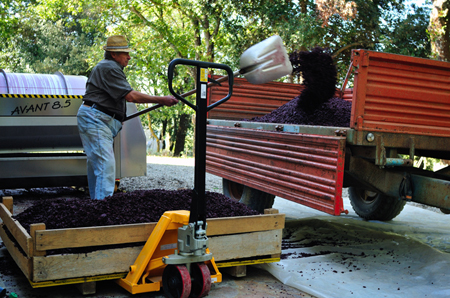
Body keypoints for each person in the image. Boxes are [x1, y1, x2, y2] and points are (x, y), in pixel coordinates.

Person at [77, 35, 178, 200]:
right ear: (114, 54)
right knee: (105, 166)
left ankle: (96, 206)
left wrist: (117, 116)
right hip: (96, 119)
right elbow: (131, 96)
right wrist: (162, 99)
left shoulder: (107, 68)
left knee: (98, 165)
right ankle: (102, 210)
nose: (129, 56)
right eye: (125, 53)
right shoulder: (109, 67)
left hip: (97, 118)